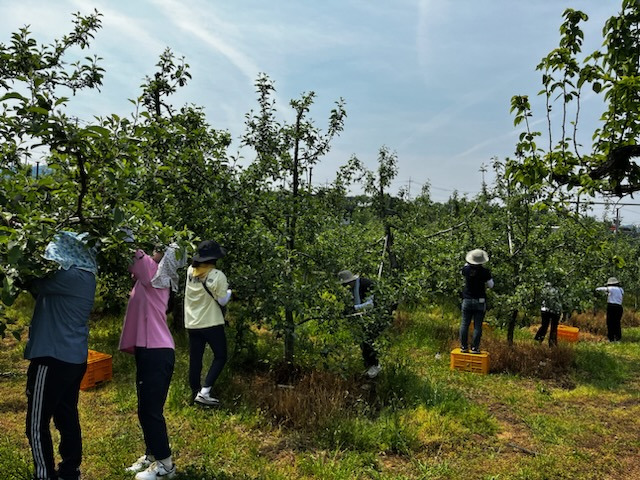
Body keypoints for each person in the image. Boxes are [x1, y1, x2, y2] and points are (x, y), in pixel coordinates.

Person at [23, 231, 97, 480]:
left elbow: (30, 278)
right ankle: (70, 470)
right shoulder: (85, 275)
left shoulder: (68, 276)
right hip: (73, 358)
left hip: (51, 358)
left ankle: (44, 475)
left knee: (36, 422)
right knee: (66, 416)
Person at [120, 244, 184, 480]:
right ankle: (151, 455)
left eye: (159, 247)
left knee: (150, 411)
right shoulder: (151, 277)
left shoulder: (156, 274)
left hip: (156, 352)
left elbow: (125, 243)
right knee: (146, 408)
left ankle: (166, 466)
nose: (152, 250)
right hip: (150, 350)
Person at [184, 240, 232, 406]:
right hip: (211, 322)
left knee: (195, 358)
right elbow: (222, 300)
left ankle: (195, 393)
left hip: (192, 322)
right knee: (220, 355)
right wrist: (230, 292)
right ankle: (205, 392)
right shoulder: (217, 276)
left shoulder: (191, 271)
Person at [338, 270, 382, 379]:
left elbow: (370, 304)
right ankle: (368, 366)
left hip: (377, 315)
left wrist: (354, 309)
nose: (345, 287)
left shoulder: (366, 284)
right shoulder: (351, 289)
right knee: (362, 341)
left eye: (346, 284)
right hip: (364, 317)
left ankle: (375, 365)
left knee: (368, 340)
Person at [459, 249, 494, 354]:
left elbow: (464, 268)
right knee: (477, 325)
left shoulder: (466, 270)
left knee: (465, 324)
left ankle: (464, 347)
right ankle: (475, 348)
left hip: (467, 300)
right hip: (480, 301)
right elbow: (491, 285)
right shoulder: (485, 272)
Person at [596, 277, 624, 342]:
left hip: (612, 307)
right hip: (619, 307)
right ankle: (618, 337)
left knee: (610, 322)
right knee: (617, 322)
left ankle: (611, 338)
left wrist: (595, 289)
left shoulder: (611, 289)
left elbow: (601, 289)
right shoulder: (621, 289)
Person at [534, 282, 562, 346]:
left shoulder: (546, 287)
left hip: (549, 310)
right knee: (549, 327)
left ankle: (542, 341)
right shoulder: (557, 288)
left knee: (548, 326)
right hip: (551, 310)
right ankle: (549, 343)